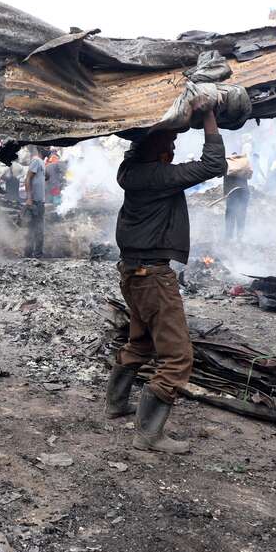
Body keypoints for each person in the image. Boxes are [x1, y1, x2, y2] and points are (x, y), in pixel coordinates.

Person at [105, 104, 225, 454]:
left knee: (140, 343)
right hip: (153, 277)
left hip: (133, 273)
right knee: (177, 358)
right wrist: (208, 120)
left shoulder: (129, 171)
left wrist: (146, 128)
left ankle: (116, 404)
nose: (173, 151)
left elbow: (137, 149)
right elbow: (213, 166)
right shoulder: (157, 177)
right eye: (170, 146)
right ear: (158, 153)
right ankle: (149, 434)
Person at [223, 152, 252, 240]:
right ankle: (239, 237)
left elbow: (219, 176)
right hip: (244, 192)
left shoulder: (227, 166)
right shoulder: (243, 166)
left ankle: (228, 237)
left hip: (231, 193)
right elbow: (250, 176)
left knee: (230, 214)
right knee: (241, 215)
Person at [24, 146, 46, 258]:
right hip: (35, 202)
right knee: (37, 229)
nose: (48, 149)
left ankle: (30, 254)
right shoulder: (36, 161)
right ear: (40, 149)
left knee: (35, 228)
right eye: (46, 146)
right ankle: (36, 254)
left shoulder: (41, 163)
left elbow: (39, 178)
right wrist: (29, 198)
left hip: (39, 202)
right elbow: (28, 178)